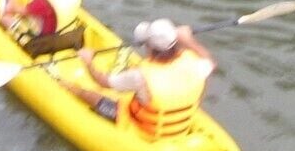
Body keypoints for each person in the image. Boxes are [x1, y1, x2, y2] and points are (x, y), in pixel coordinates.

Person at [66, 18, 215, 139]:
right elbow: (210, 62)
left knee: (88, 94)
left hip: (146, 130)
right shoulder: (195, 63)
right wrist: (188, 39)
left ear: (150, 47)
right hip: (180, 126)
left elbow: (102, 82)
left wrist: (88, 62)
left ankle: (66, 87)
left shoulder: (140, 76)